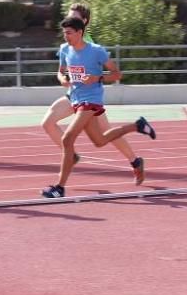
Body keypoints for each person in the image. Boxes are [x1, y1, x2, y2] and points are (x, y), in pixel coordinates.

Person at [41, 17, 157, 198]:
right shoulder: (65, 49)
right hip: (75, 99)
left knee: (67, 139)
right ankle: (138, 126)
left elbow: (117, 73)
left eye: (69, 33)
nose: (66, 36)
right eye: (64, 33)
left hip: (91, 100)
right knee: (100, 141)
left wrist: (97, 78)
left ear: (80, 32)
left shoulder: (96, 51)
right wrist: (62, 79)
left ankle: (59, 187)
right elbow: (61, 70)